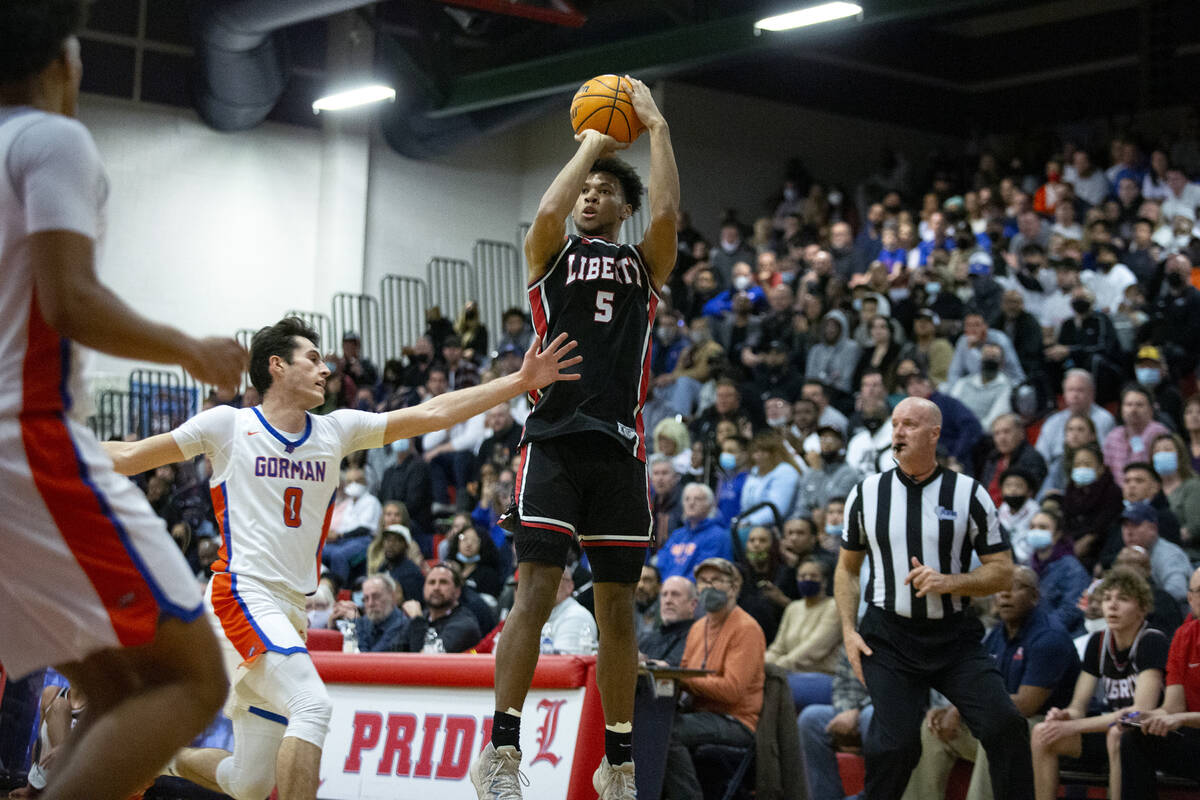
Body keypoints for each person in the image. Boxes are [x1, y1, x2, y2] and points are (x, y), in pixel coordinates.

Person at [104, 317, 580, 800]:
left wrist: (520, 381)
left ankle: (162, 759)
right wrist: (42, 445)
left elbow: (434, 413)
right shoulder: (229, 425)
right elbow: (127, 457)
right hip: (241, 592)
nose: (325, 368)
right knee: (312, 707)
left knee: (249, 785)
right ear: (276, 365)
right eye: (311, 358)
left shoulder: (336, 429)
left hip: (290, 609)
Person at [0, 4, 245, 798]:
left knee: (119, 699)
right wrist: (191, 349)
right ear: (61, 60)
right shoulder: (50, 138)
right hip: (26, 444)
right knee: (193, 683)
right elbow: (69, 298)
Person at [471, 76, 678, 800]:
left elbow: (671, 215)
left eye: (605, 190)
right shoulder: (551, 260)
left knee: (617, 606)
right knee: (533, 591)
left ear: (626, 206)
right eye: (585, 187)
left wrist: (653, 128)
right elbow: (547, 211)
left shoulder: (644, 267)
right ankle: (501, 750)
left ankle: (617, 762)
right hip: (553, 440)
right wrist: (593, 137)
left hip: (619, 446)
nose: (590, 196)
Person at [836, 396, 1033, 799]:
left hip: (953, 637)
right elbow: (846, 569)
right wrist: (847, 630)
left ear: (934, 433)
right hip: (889, 637)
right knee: (894, 746)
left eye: (909, 424)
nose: (898, 432)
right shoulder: (866, 493)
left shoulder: (969, 494)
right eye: (895, 424)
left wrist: (948, 582)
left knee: (1005, 724)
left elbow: (1003, 571)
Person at [901, 567, 1080, 800]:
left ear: (1035, 596)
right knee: (933, 728)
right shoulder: (996, 635)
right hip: (1006, 721)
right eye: (1000, 587)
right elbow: (975, 688)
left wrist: (961, 710)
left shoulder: (1049, 637)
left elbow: (1027, 704)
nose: (1004, 594)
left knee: (997, 729)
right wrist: (950, 710)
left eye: (1015, 587)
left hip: (1045, 731)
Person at [1030, 568, 1168, 800]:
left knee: (1118, 733)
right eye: (1107, 599)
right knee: (1042, 732)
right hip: (1112, 731)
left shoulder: (1152, 640)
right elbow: (1078, 706)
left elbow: (1138, 714)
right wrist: (1065, 716)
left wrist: (1075, 726)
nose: (1112, 606)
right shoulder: (1098, 642)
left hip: (1149, 737)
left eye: (1122, 599)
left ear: (1142, 608)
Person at [662, 558, 766, 800]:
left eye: (717, 580)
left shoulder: (747, 628)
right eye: (703, 581)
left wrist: (679, 678)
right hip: (700, 714)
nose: (709, 586)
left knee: (666, 732)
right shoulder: (698, 627)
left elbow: (732, 691)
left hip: (735, 721)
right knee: (650, 722)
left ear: (734, 587)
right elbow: (686, 676)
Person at [1117, 566, 1200, 797]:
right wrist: (1148, 717)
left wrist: (1179, 718)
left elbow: (1178, 715)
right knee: (1134, 739)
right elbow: (1172, 707)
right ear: (1190, 599)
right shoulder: (1183, 637)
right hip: (1195, 734)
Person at [766, 556, 841, 711]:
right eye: (802, 576)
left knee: (770, 687)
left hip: (822, 676)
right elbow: (778, 647)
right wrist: (761, 664)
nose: (807, 579)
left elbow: (813, 649)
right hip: (788, 672)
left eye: (813, 576)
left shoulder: (834, 607)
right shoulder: (793, 608)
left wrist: (777, 666)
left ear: (825, 581)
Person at [1028, 509, 1091, 636]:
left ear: (1057, 534)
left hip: (1063, 636)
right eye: (1032, 527)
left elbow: (1071, 610)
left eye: (1043, 527)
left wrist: (1039, 628)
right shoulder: (1029, 566)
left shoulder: (1072, 568)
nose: (1036, 531)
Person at [401, 561, 483, 653]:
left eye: (443, 582)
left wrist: (416, 620)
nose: (436, 587)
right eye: (431, 582)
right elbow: (395, 652)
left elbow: (426, 661)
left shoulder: (465, 625)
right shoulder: (422, 616)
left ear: (457, 591)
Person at [658, 482, 734, 580]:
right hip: (668, 588)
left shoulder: (718, 535)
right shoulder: (677, 535)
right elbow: (661, 562)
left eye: (697, 499)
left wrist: (677, 586)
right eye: (687, 499)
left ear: (709, 505)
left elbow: (703, 572)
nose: (691, 503)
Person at [1103, 385, 1171, 488]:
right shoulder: (1113, 436)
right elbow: (1106, 472)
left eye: (1139, 405)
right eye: (1128, 405)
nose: (1133, 409)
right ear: (1121, 409)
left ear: (1151, 410)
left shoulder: (1159, 433)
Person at [637, 575, 697, 666]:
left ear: (693, 604)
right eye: (664, 594)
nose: (668, 601)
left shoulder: (698, 637)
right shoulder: (648, 639)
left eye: (675, 594)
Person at [540, 567, 599, 655]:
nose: (544, 583)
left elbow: (563, 665)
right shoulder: (537, 615)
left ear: (570, 586)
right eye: (541, 578)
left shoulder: (576, 616)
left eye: (553, 578)